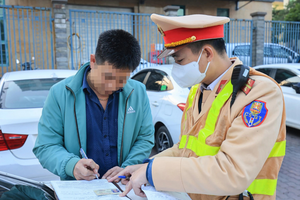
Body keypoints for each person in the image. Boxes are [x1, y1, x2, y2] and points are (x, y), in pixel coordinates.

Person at [109, 14, 286, 200]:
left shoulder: (259, 93)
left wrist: (153, 171)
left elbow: (233, 171)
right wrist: (145, 166)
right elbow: (184, 149)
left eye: (180, 61)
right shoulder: (198, 90)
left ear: (208, 53)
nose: (176, 68)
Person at [33, 29, 155, 181]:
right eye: (108, 77)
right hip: (80, 190)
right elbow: (46, 146)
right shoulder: (60, 94)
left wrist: (128, 167)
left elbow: (145, 138)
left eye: (122, 80)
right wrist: (71, 165)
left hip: (123, 187)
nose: (112, 86)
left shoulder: (138, 92)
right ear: (93, 61)